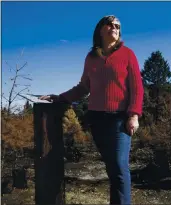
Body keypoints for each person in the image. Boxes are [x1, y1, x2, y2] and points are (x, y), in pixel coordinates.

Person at [39, 15, 144, 205]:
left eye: (118, 26)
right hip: (97, 120)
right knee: (112, 168)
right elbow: (83, 87)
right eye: (110, 24)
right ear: (100, 30)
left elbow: (137, 87)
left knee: (120, 168)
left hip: (119, 120)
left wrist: (134, 115)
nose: (114, 27)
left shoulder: (128, 54)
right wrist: (61, 97)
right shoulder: (91, 57)